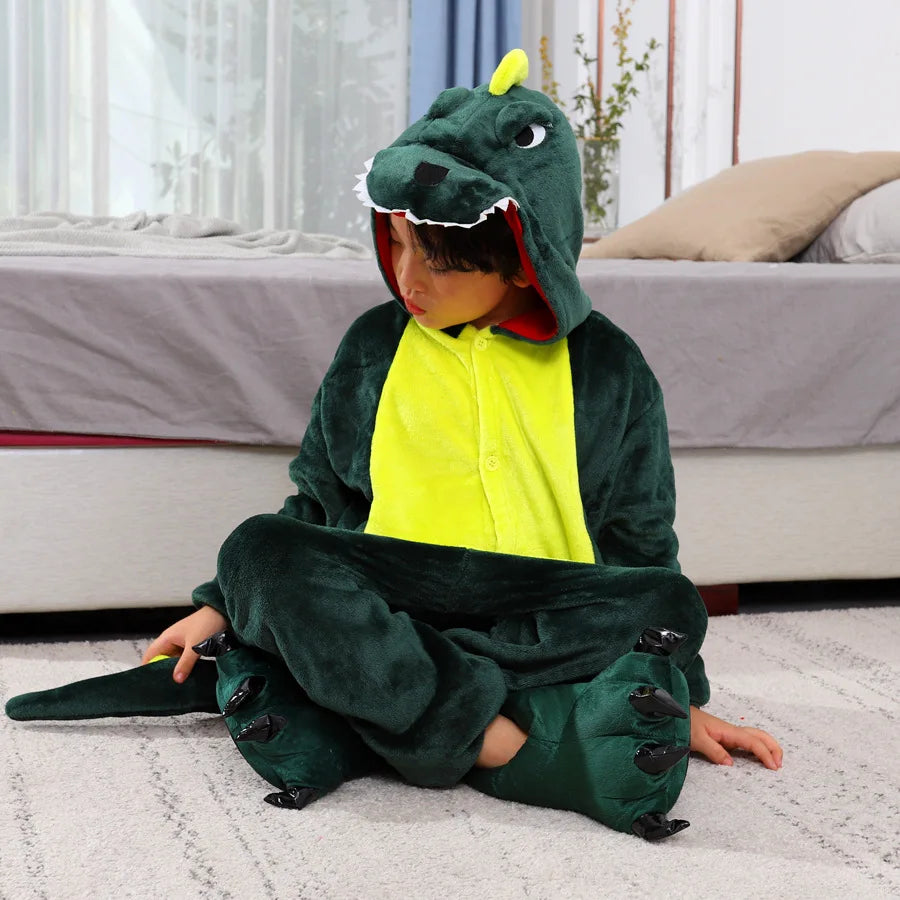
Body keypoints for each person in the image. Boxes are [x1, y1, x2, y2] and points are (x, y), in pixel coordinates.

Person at [140, 50, 781, 836]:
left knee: (668, 602)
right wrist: (223, 604)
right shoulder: (375, 346)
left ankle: (361, 710)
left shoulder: (609, 367)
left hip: (542, 611)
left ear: (521, 260)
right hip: (395, 596)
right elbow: (321, 500)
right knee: (259, 551)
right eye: (397, 244)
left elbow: (640, 539)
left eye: (437, 262)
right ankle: (508, 744)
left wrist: (673, 693)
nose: (408, 278)